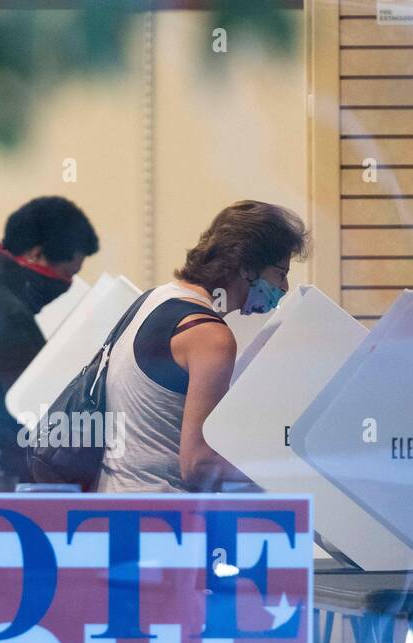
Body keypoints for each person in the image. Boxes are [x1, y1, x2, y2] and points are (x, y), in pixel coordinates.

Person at [96, 199, 308, 493]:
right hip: (160, 518)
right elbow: (198, 465)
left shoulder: (153, 298)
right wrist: (286, 472)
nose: (284, 288)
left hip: (114, 502)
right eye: (281, 273)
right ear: (248, 267)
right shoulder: (211, 337)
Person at [0, 196, 99, 491]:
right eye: (67, 274)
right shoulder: (8, 314)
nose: (68, 285)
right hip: (9, 479)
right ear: (36, 254)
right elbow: (40, 412)